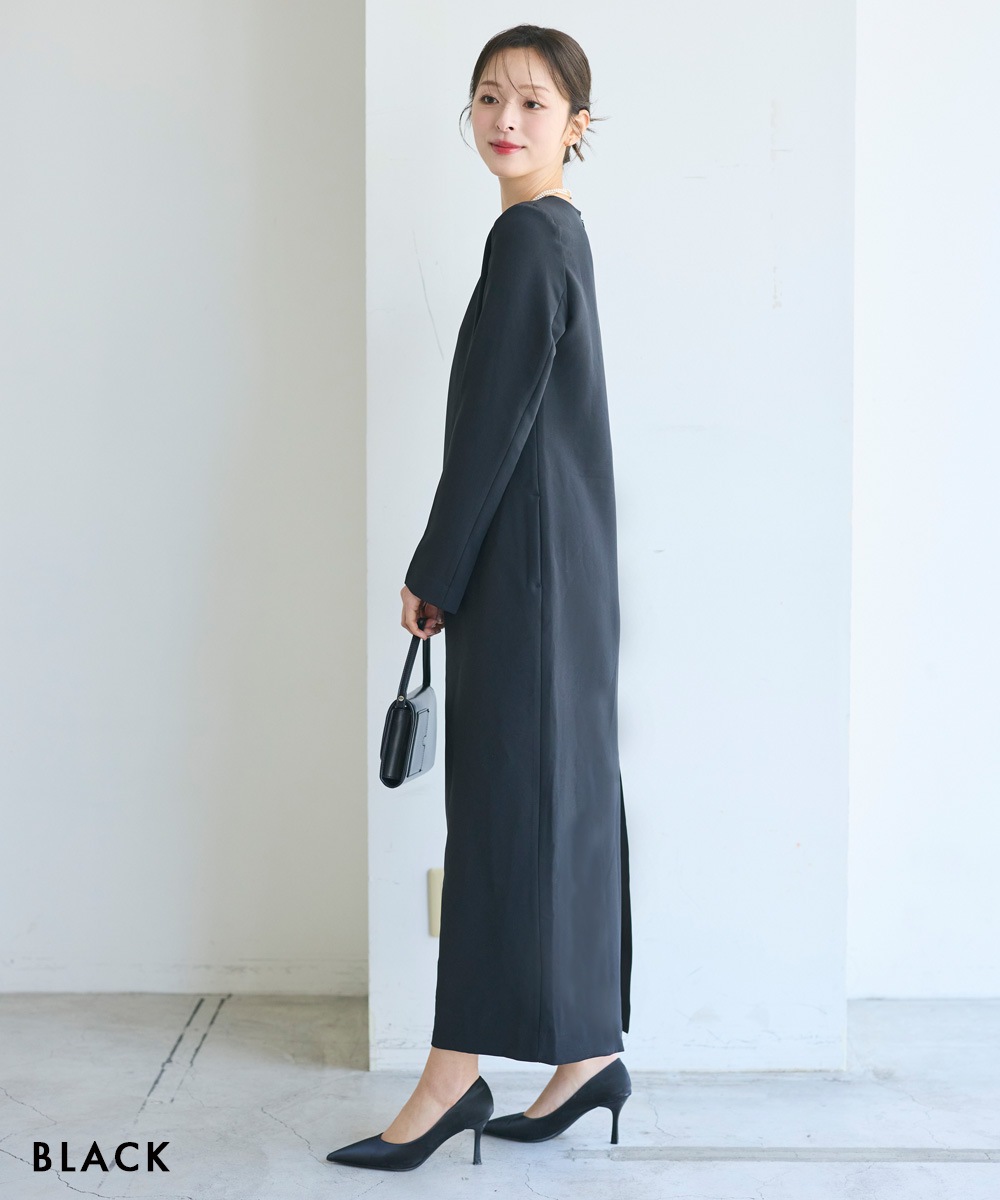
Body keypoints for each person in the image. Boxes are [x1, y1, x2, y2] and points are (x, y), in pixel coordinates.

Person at [327, 24, 632, 1172]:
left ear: (576, 126)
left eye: (534, 102)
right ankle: (585, 1056)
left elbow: (493, 432)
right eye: (490, 98)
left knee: (508, 817)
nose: (507, 119)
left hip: (526, 578)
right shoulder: (557, 235)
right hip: (565, 579)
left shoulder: (526, 242)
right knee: (563, 809)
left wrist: (435, 569)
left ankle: (452, 1080)